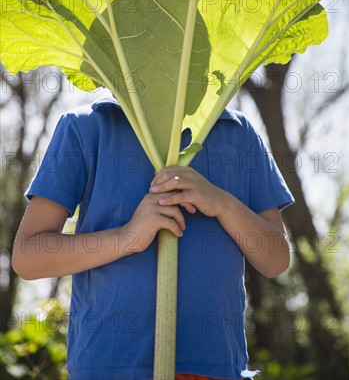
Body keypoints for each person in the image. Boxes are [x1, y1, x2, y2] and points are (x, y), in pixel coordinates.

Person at [12, 92, 294, 380]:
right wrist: (127, 238)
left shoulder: (238, 132)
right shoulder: (86, 125)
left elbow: (276, 259)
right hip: (107, 367)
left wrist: (222, 203)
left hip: (215, 368)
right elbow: (28, 256)